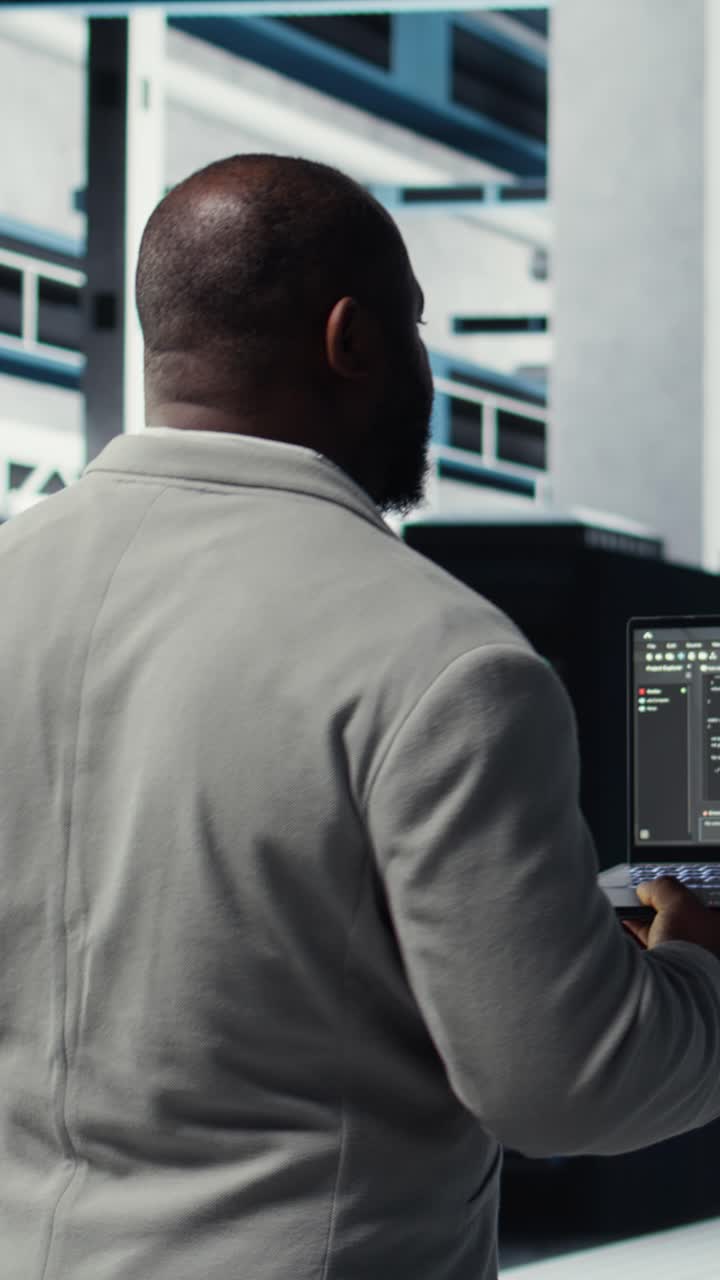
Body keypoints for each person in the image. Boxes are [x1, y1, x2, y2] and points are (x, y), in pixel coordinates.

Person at [1, 154, 720, 1280]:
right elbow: (570, 1084)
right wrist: (698, 968)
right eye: (416, 328)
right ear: (353, 340)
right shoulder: (445, 659)